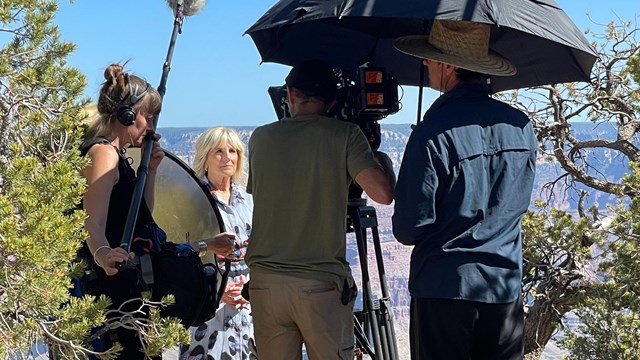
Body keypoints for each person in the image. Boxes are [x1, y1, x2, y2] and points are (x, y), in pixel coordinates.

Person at [391, 20, 538, 360]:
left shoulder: (433, 133)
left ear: (449, 66)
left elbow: (408, 228)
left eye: (430, 58)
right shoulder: (522, 126)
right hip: (503, 289)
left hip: (444, 289)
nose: (425, 64)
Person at [81, 64, 236, 359]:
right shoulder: (102, 154)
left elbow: (139, 216)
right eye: (146, 117)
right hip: (111, 290)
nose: (152, 127)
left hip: (128, 289)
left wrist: (149, 171)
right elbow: (92, 221)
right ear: (126, 115)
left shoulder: (118, 156)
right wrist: (103, 255)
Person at [246, 59, 395, 360]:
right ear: (333, 100)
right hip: (318, 283)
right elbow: (382, 194)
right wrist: (378, 158)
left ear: (290, 93)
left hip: (265, 284)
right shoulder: (345, 136)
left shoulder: (260, 138)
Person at [181, 126, 254, 359]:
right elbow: (179, 253)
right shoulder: (193, 201)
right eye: (219, 152)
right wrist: (219, 291)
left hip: (248, 308)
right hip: (208, 306)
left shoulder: (249, 201)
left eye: (233, 151)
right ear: (206, 158)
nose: (227, 158)